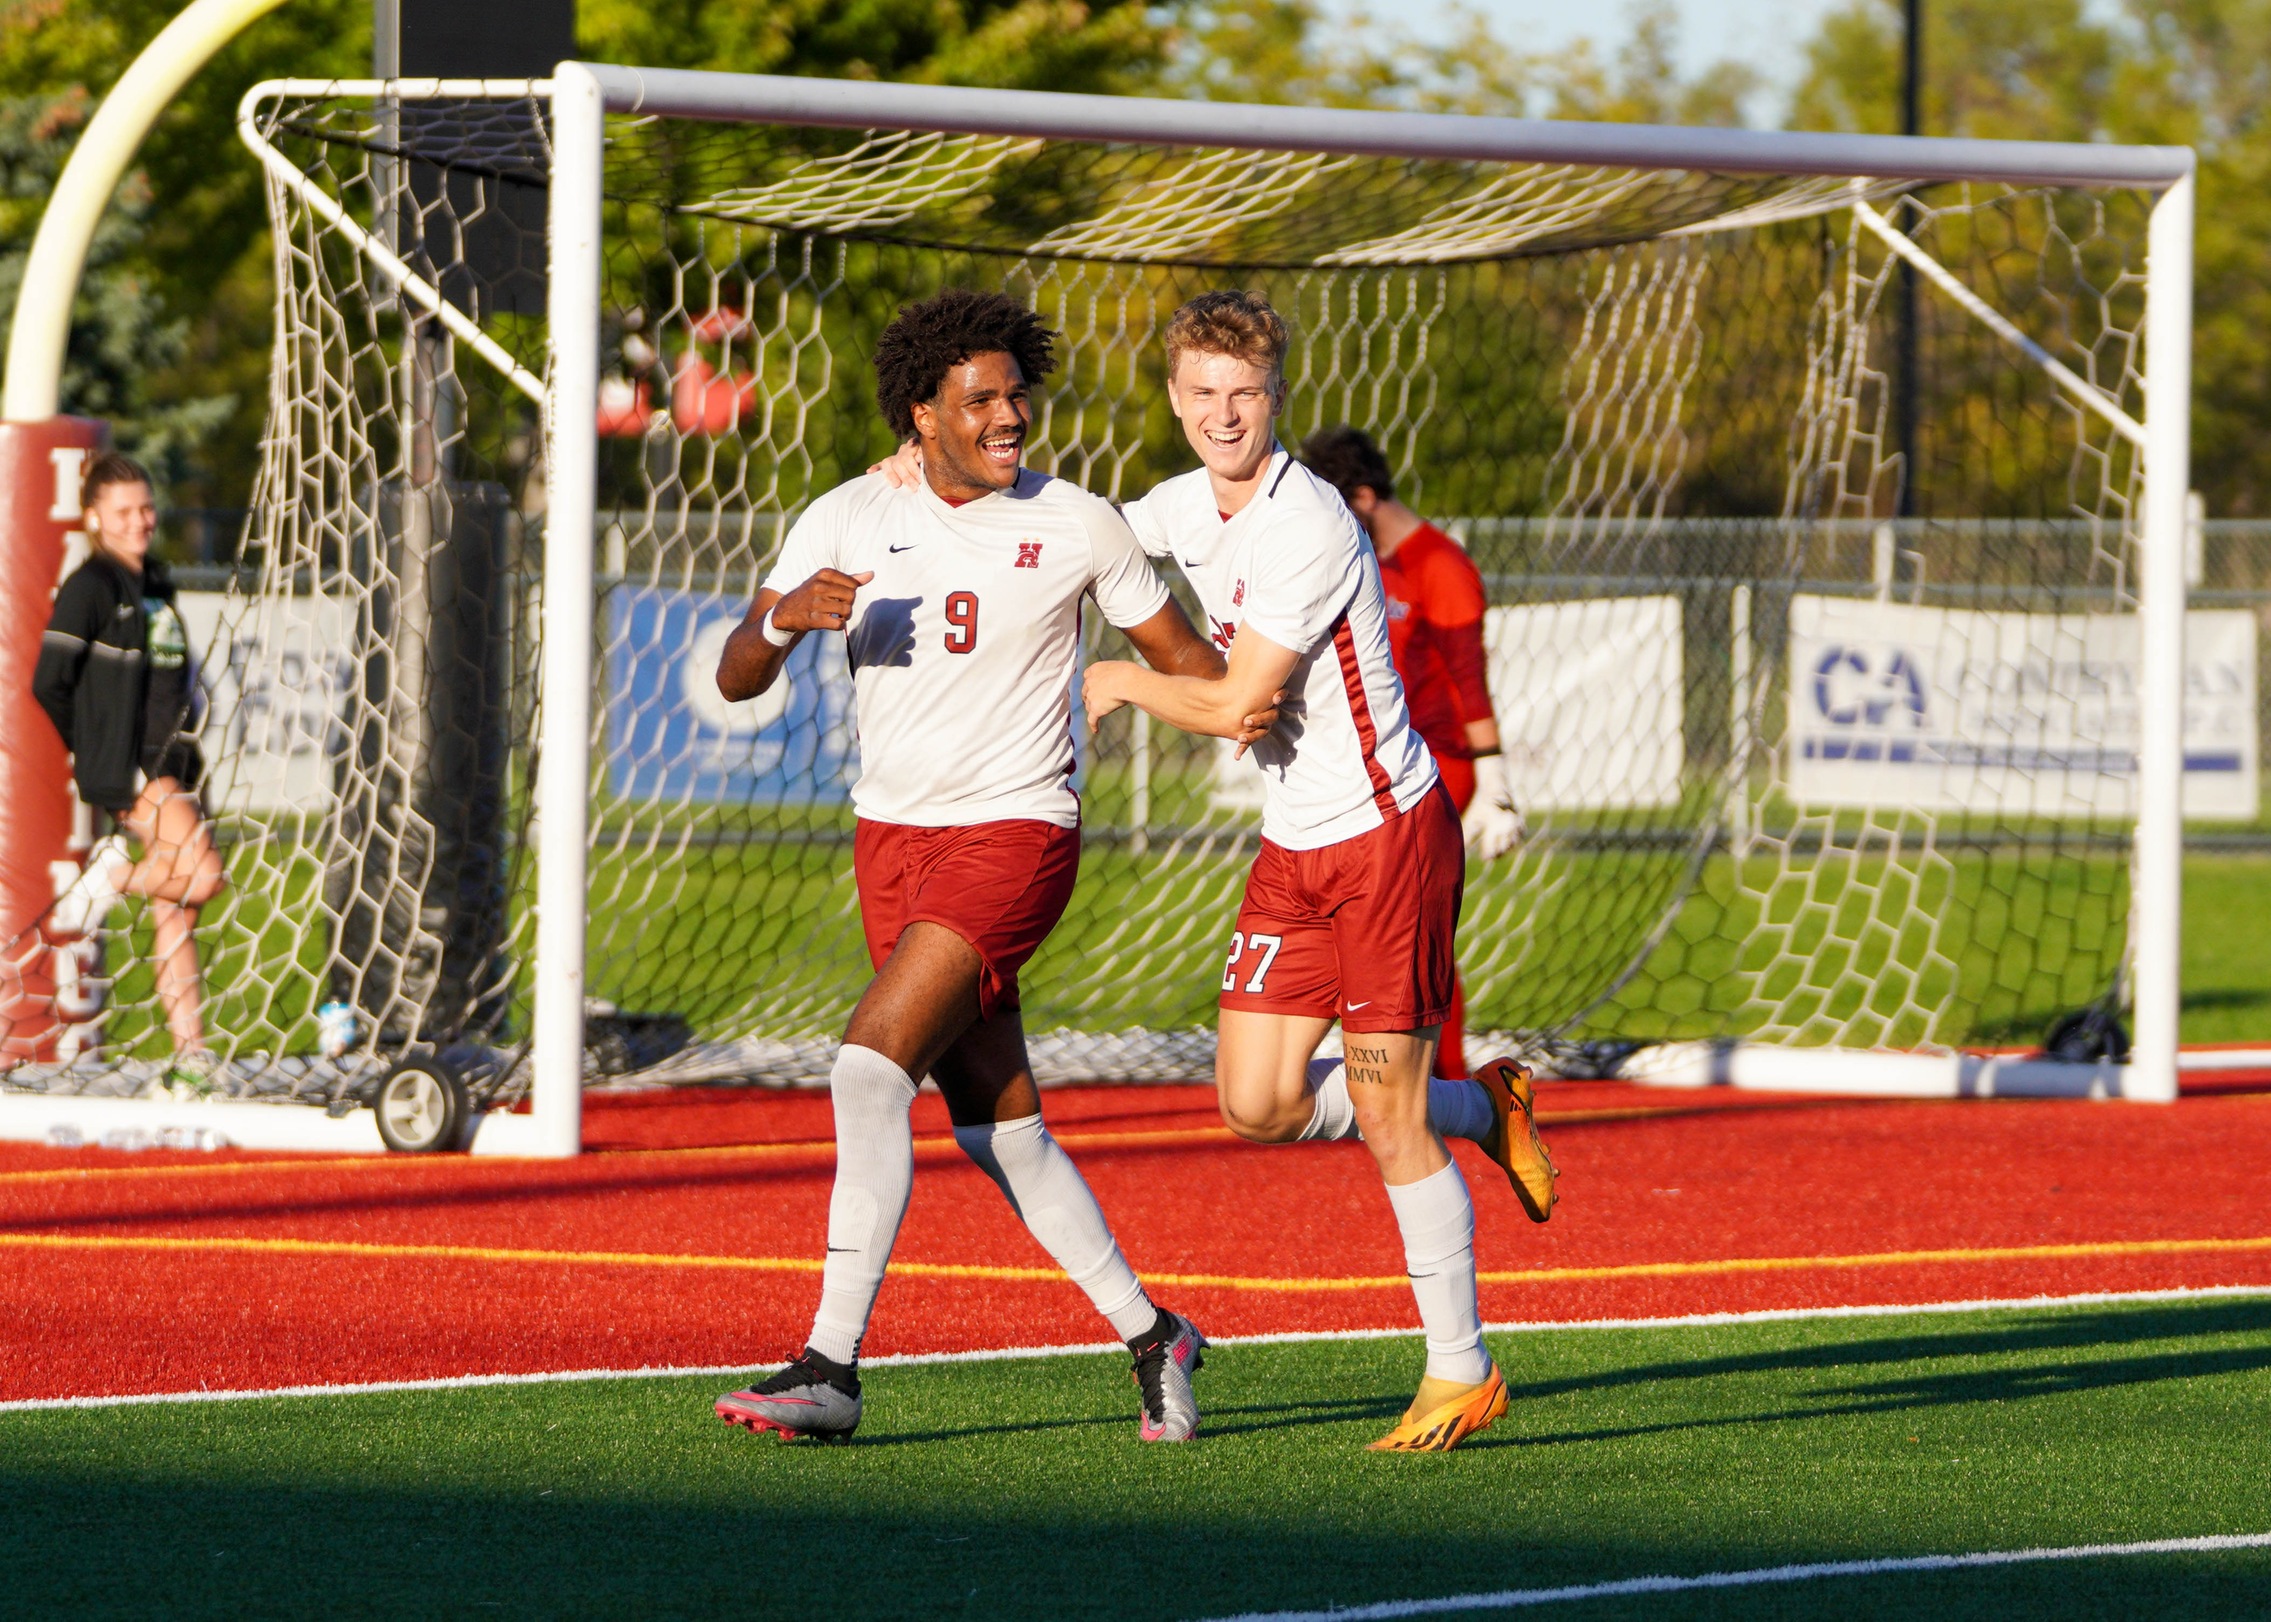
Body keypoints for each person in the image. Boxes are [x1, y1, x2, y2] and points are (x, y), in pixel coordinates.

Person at [710, 289, 1267, 1444]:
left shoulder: (1078, 522)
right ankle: (1155, 1332)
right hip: (892, 843)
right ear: (923, 414)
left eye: (1017, 393)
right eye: (982, 399)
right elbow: (732, 677)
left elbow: (1198, 664)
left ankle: (830, 1367)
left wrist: (1243, 669)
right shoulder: (850, 516)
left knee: (868, 1069)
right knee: (996, 1122)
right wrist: (780, 621)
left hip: (1016, 833)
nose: (1010, 415)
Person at [1081, 291, 1557, 1453]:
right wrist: (930, 476)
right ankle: (1484, 1105)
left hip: (1388, 836)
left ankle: (1463, 1368)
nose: (1222, 415)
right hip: (1296, 844)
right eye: (1201, 394)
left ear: (1274, 397)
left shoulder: (1308, 523)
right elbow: (1081, 528)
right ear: (1177, 398)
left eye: (1243, 395)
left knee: (1389, 1117)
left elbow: (1244, 702)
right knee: (1255, 1100)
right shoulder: (1182, 502)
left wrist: (1119, 681)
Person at [1298, 426, 1523, 1082]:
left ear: (1362, 499)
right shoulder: (1373, 562)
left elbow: (1467, 677)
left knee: (1413, 930)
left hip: (1441, 765)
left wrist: (1493, 780)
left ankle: (1446, 1081)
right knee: (1376, 924)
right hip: (1386, 764)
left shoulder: (1441, 567)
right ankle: (1405, 1069)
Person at [32, 454, 227, 1097]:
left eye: (146, 508)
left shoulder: (158, 582)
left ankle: (189, 1061)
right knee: (204, 875)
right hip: (139, 764)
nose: (141, 521)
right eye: (124, 512)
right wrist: (96, 751)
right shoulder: (90, 586)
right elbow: (50, 682)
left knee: (178, 910)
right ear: (94, 518)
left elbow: (173, 674)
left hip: (176, 760)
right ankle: (111, 878)